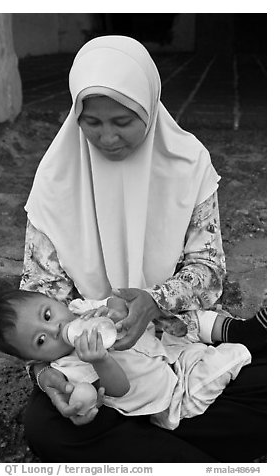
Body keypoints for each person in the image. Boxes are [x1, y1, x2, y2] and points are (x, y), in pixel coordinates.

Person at [18, 35, 266, 462]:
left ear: (149, 107)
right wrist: (45, 376)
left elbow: (208, 268)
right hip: (92, 366)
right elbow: (39, 298)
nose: (108, 137)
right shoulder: (56, 180)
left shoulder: (187, 164)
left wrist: (153, 302)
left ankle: (146, 451)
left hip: (178, 348)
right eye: (92, 122)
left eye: (123, 120)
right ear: (75, 114)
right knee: (45, 426)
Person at [0, 289, 254, 431]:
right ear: (33, 359)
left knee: (195, 350)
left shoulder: (80, 310)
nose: (55, 329)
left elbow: (115, 302)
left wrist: (113, 309)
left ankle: (242, 340)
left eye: (47, 315)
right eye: (40, 341)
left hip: (169, 358)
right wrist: (100, 360)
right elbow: (119, 389)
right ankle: (249, 349)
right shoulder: (69, 368)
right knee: (227, 361)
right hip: (170, 397)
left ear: (53, 300)